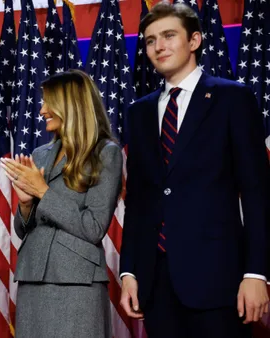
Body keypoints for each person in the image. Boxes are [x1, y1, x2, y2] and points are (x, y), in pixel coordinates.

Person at [119, 2, 270, 337]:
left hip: (220, 281)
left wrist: (256, 274)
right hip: (155, 283)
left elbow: (258, 193)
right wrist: (128, 271)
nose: (158, 46)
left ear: (195, 41)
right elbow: (138, 201)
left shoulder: (233, 99)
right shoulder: (138, 113)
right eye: (149, 40)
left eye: (169, 36)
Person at [1, 70, 123, 338]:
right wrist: (25, 205)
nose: (42, 109)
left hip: (77, 282)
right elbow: (25, 230)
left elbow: (93, 227)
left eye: (48, 102)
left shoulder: (106, 154)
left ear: (71, 105)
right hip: (33, 278)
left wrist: (44, 192)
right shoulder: (41, 154)